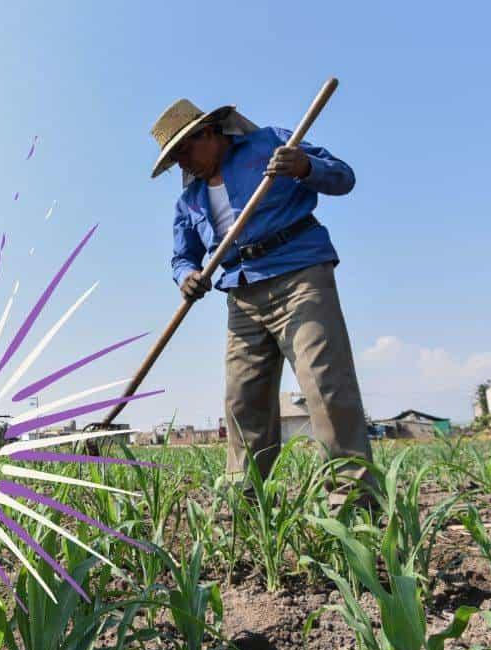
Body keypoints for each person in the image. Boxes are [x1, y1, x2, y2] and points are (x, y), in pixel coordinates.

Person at [149, 99, 372, 501]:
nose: (182, 164)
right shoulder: (191, 201)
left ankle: (353, 502)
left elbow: (344, 178)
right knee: (242, 401)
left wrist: (305, 167)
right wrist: (187, 277)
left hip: (299, 275)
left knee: (325, 385)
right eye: (174, 158)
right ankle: (244, 503)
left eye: (184, 150)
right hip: (242, 294)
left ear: (210, 133)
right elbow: (182, 257)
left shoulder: (269, 143)